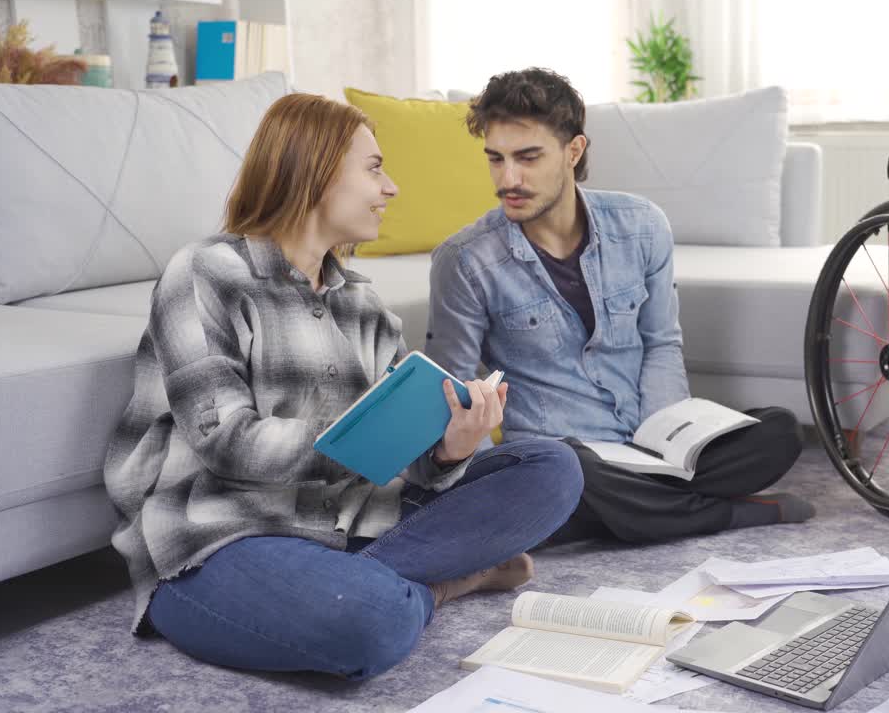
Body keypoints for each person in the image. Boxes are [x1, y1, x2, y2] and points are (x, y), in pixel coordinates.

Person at [103, 93, 582, 680]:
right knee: (371, 621)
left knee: (552, 467)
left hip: (355, 526)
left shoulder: (364, 305)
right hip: (225, 535)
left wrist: (450, 446)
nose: (393, 188)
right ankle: (443, 584)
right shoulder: (206, 273)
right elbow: (225, 442)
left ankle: (363, 577)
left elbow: (415, 467)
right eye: (375, 168)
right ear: (315, 167)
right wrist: (355, 445)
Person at [425, 68, 811, 545]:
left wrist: (670, 440)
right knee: (567, 473)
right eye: (496, 160)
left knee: (780, 430)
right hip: (562, 454)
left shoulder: (643, 226)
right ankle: (723, 514)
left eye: (528, 158)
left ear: (574, 151)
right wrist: (492, 497)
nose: (509, 179)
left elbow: (662, 342)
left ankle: (630, 508)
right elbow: (454, 393)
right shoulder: (465, 261)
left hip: (642, 438)